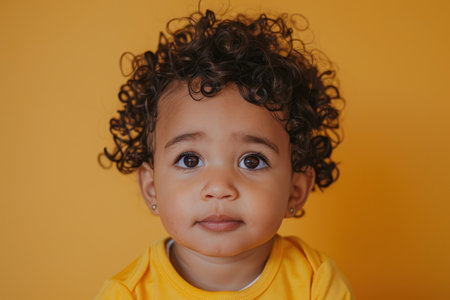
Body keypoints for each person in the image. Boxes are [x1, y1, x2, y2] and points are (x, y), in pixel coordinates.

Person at [95, 6, 354, 300]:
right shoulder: (129, 294)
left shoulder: (315, 285)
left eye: (252, 161)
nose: (219, 188)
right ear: (152, 188)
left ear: (295, 190)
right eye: (190, 159)